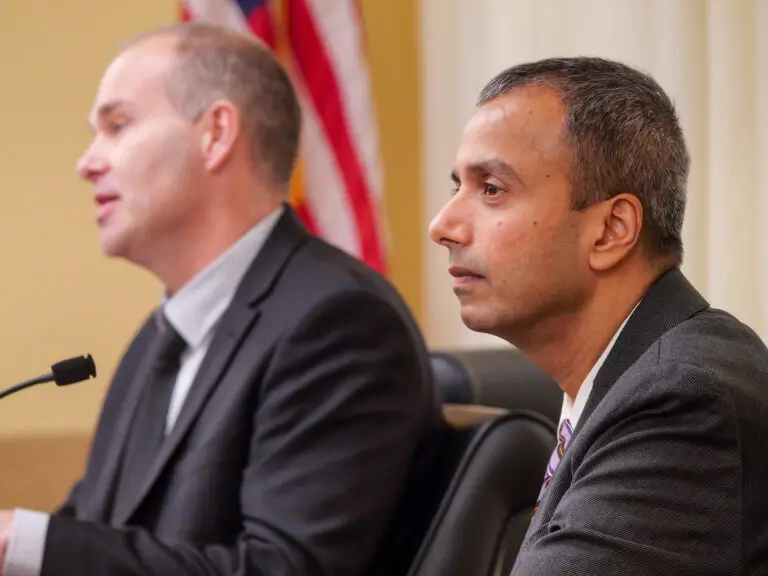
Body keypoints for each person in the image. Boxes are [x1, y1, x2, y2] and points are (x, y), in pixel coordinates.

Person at [0, 22, 442, 576]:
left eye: (118, 125)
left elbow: (281, 570)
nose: (86, 162)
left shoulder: (338, 324)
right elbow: (95, 533)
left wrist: (23, 541)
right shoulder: (156, 341)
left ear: (215, 134)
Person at [429, 56, 768, 574]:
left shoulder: (683, 401)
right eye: (457, 187)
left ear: (611, 230)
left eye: (492, 189)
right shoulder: (628, 375)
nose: (443, 225)